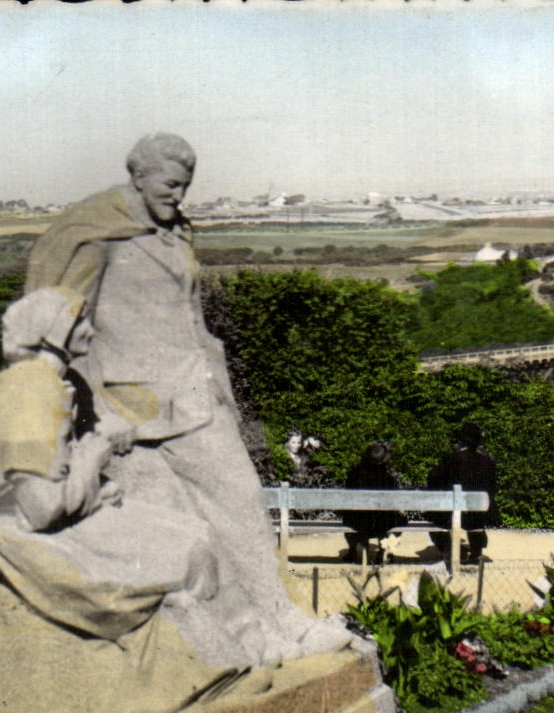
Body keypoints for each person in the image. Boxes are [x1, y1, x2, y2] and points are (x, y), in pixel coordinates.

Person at [22, 133, 356, 668]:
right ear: (139, 176)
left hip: (195, 393)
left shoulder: (178, 232)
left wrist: (220, 390)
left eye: (186, 187)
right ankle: (254, 638)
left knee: (242, 500)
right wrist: (88, 408)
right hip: (130, 408)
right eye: (171, 185)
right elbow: (59, 323)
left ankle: (284, 619)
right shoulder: (95, 232)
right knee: (182, 532)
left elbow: (192, 318)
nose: (179, 196)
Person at [0, 287, 220, 642]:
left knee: (195, 534)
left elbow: (72, 463)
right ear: (55, 333)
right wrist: (95, 457)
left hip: (67, 514)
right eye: (81, 322)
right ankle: (171, 643)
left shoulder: (61, 383)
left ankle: (182, 639)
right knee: (190, 552)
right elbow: (41, 510)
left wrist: (99, 478)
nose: (91, 330)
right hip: (28, 537)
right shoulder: (31, 392)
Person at [426, 422, 500, 564]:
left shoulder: (452, 458)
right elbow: (493, 486)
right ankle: (476, 552)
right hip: (480, 515)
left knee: (432, 516)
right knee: (474, 517)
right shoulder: (488, 461)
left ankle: (450, 549)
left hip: (450, 514)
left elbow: (433, 479)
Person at [338, 441, 400, 564]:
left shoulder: (353, 475)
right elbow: (393, 504)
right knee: (398, 519)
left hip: (356, 522)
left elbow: (346, 501)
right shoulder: (389, 479)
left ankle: (352, 551)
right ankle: (383, 551)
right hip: (380, 524)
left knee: (349, 516)